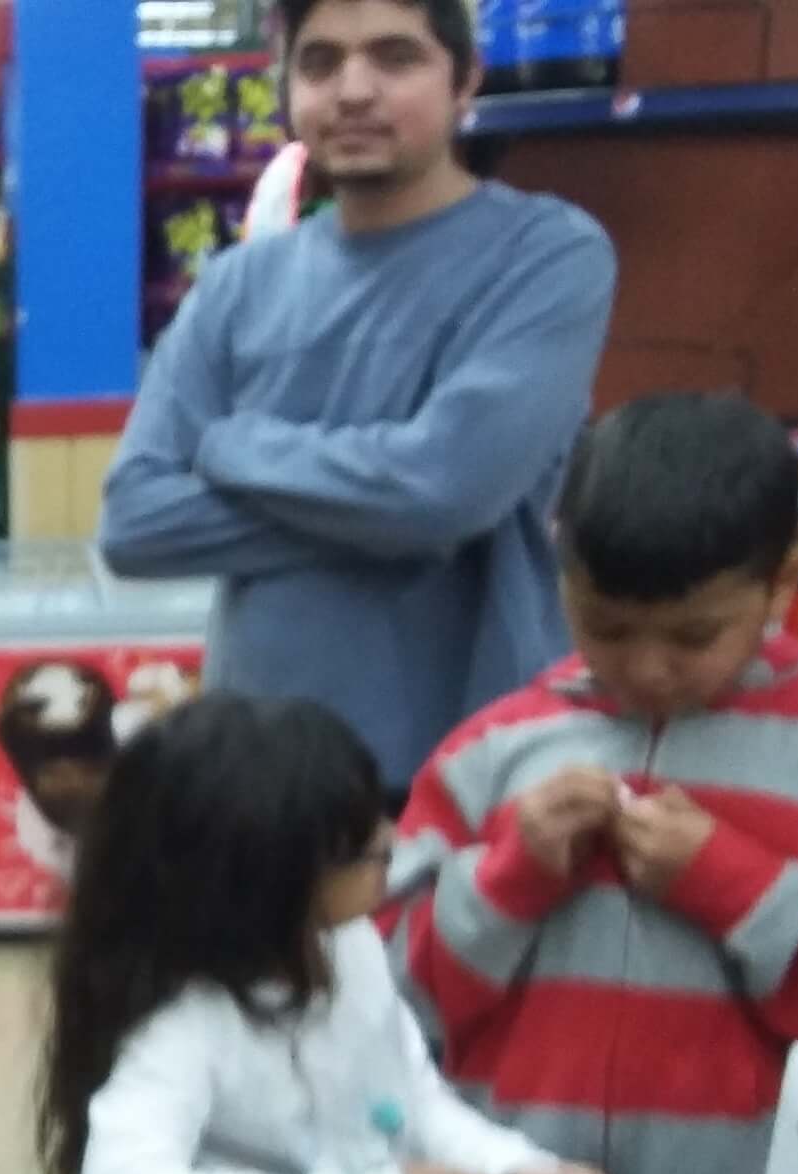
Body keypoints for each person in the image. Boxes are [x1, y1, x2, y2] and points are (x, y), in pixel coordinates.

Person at [385, 392, 798, 1174]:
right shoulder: (489, 751)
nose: (648, 668)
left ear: (783, 581)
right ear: (560, 568)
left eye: (694, 635)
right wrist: (509, 878)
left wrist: (736, 884)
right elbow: (382, 1009)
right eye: (606, 627)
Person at [94, 0, 620, 788]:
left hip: (470, 774)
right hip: (258, 775)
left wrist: (236, 444)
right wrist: (399, 522)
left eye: (395, 57)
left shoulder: (545, 256)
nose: (353, 91)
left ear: (466, 81)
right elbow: (134, 522)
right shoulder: (239, 285)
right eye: (320, 63)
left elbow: (445, 491)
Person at [39, 694, 623, 1174]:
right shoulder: (187, 1022)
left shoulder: (350, 944)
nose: (389, 841)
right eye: (353, 846)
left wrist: (517, 1168)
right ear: (263, 882)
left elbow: (410, 1101)